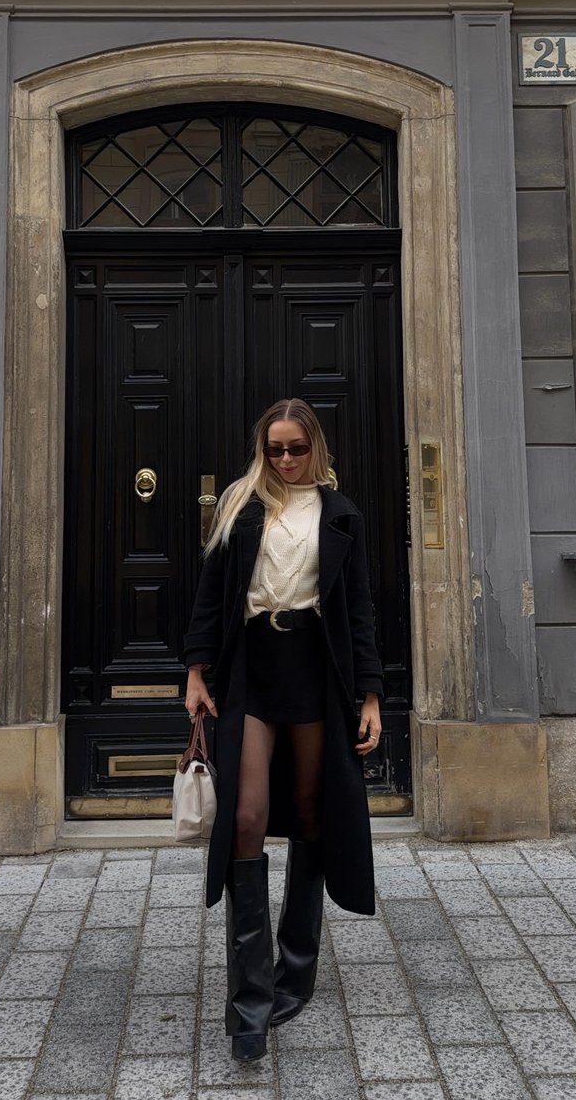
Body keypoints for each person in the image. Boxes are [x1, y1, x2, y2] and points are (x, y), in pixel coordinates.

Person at [183, 398, 383, 1063]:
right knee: (244, 816)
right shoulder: (241, 505)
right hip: (253, 673)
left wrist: (372, 694)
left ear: (315, 448)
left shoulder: (340, 513)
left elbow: (358, 611)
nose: (286, 460)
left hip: (315, 673)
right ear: (262, 451)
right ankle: (250, 997)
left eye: (296, 447)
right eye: (275, 449)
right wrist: (195, 670)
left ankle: (294, 971)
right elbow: (211, 596)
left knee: (308, 813)